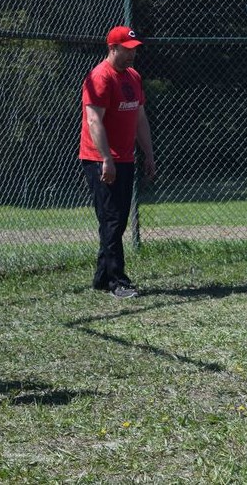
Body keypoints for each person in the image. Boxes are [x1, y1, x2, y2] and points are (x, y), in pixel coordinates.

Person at [79, 26, 156, 299]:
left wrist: (148, 153)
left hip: (124, 159)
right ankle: (117, 281)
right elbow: (93, 120)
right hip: (99, 159)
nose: (132, 54)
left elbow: (139, 118)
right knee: (111, 219)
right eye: (127, 49)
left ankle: (102, 277)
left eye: (134, 49)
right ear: (112, 48)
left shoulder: (133, 76)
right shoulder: (100, 77)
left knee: (118, 220)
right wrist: (106, 160)